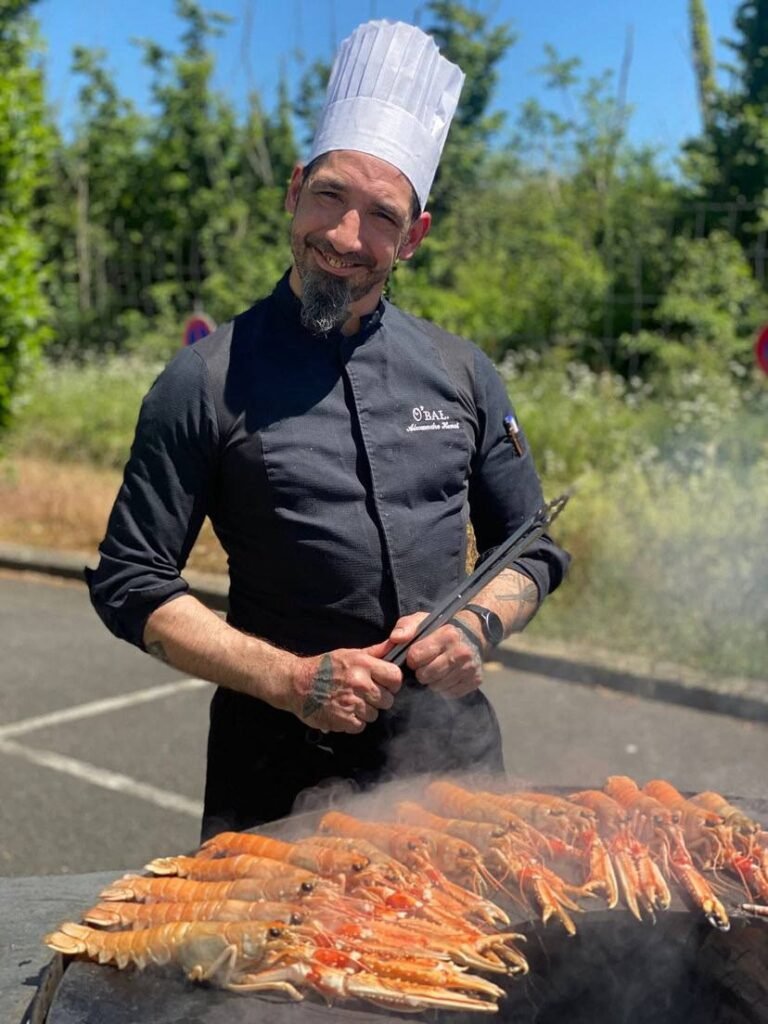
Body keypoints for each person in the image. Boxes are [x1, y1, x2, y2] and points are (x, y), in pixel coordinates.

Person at [86, 20, 569, 841]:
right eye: (330, 197)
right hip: (275, 780)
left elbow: (532, 544)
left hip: (453, 773)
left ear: (413, 237)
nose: (346, 237)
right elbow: (132, 582)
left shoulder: (461, 372)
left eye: (381, 215)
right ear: (294, 191)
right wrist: (291, 677)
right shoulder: (202, 381)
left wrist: (476, 624)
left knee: (484, 965)